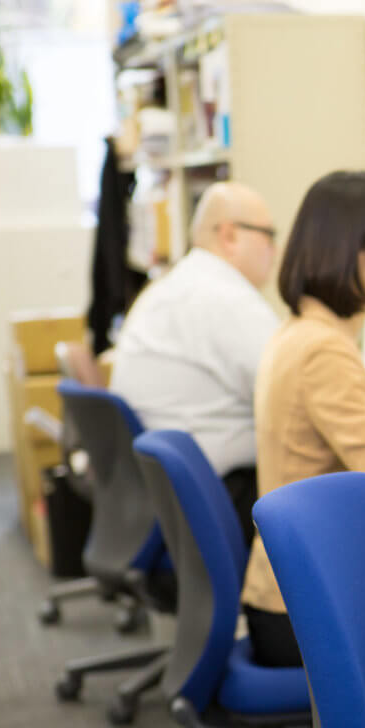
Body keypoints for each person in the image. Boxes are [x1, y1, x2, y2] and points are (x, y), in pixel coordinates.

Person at [240, 170, 365, 668]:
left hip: (288, 593)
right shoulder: (323, 352)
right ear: (352, 248)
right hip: (302, 614)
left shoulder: (299, 333)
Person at [110, 181, 279, 544]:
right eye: (268, 235)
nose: (275, 250)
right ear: (230, 236)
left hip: (165, 494)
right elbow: (295, 395)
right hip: (220, 496)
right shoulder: (226, 298)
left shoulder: (172, 286)